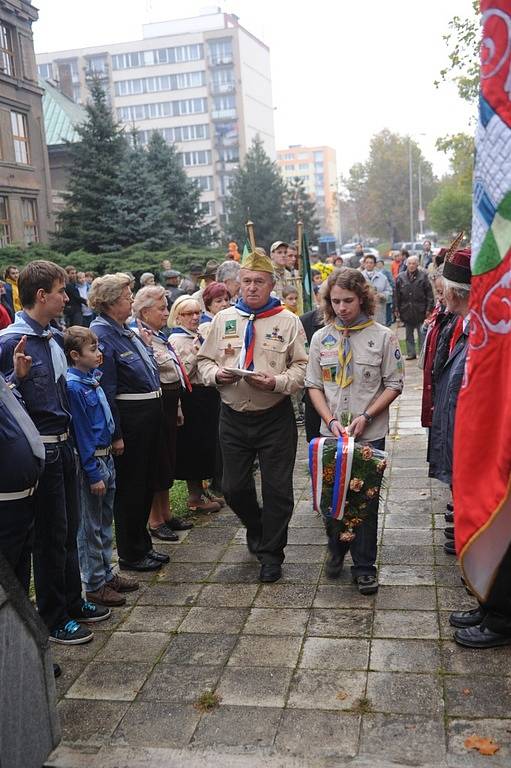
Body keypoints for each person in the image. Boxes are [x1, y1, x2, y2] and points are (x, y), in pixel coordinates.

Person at [0, 260, 109, 645]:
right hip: (40, 452)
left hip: (65, 447)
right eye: (61, 292)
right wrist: (17, 378)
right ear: (41, 295)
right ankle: (53, 617)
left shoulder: (53, 337)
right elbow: (6, 399)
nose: (67, 298)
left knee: (67, 531)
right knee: (49, 537)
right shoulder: (12, 342)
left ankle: (72, 601)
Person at [198, 248, 308, 583]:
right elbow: (203, 362)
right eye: (246, 281)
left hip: (274, 416)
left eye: (259, 281)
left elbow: (302, 368)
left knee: (278, 489)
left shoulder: (288, 321)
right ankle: (258, 527)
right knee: (232, 488)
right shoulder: (223, 320)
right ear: (238, 283)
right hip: (233, 416)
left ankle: (271, 554)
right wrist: (217, 375)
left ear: (271, 283)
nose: (251, 287)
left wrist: (277, 382)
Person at [305, 267, 403, 594]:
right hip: (331, 432)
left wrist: (366, 415)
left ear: (362, 298)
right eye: (335, 301)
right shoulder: (322, 337)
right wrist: (330, 420)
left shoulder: (383, 336)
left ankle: (364, 566)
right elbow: (313, 385)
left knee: (364, 500)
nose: (342, 308)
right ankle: (336, 548)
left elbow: (394, 383)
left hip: (368, 433)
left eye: (348, 300)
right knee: (331, 496)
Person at [89, 273, 169, 573]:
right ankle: (131, 553)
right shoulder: (102, 334)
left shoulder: (123, 330)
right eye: (126, 297)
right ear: (110, 303)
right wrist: (117, 434)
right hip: (131, 421)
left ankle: (143, 544)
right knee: (132, 489)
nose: (132, 301)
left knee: (145, 483)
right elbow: (106, 390)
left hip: (148, 417)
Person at [64, 326, 138, 606]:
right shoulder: (74, 387)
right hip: (92, 462)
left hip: (106, 457)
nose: (99, 353)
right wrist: (93, 472)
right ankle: (94, 583)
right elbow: (81, 434)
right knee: (90, 526)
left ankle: (107, 573)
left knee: (105, 521)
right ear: (74, 355)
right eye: (93, 349)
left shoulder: (90, 379)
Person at [131, 286, 195, 542]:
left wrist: (178, 406)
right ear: (146, 311)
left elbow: (173, 373)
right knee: (157, 462)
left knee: (167, 460)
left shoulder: (158, 335)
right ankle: (155, 520)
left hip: (169, 404)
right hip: (155, 406)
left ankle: (166, 513)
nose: (166, 313)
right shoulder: (139, 336)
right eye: (162, 308)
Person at [428, 250, 471, 556]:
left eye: (444, 289)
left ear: (456, 292)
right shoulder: (463, 326)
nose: (440, 295)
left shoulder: (479, 336)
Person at [168, 295, 222, 513]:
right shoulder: (176, 340)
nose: (195, 317)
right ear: (178, 317)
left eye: (198, 312)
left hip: (206, 396)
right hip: (191, 397)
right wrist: (198, 356)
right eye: (189, 313)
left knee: (207, 445)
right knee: (194, 447)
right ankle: (194, 496)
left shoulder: (198, 335)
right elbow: (180, 375)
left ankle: (203, 489)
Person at [395, 255, 434, 359]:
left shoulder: (423, 276)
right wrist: (396, 309)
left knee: (422, 335)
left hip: (420, 310)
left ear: (417, 265)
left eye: (414, 264)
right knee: (408, 335)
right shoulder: (400, 277)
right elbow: (396, 295)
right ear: (406, 264)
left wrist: (429, 309)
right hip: (406, 310)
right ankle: (410, 353)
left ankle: (422, 354)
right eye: (409, 263)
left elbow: (429, 294)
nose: (411, 266)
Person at [361, 254, 391, 325]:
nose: (369, 264)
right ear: (364, 264)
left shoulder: (382, 277)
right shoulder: (359, 276)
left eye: (371, 263)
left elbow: (389, 291)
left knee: (379, 329)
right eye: (367, 262)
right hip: (364, 309)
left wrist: (383, 295)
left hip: (379, 309)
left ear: (374, 264)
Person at [375, 258, 395, 326]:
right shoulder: (375, 272)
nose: (379, 265)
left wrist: (391, 290)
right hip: (378, 297)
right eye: (378, 264)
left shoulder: (386, 272)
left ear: (383, 264)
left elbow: (391, 281)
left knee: (388, 309)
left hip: (386, 294)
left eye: (380, 264)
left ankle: (388, 323)